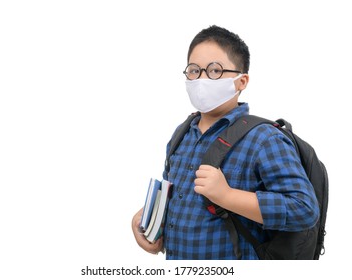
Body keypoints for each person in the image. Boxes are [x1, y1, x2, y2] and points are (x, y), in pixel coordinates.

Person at [131, 25, 319, 260]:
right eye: (194, 70)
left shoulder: (264, 139)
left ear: (241, 81)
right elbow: (176, 198)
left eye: (215, 71)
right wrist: (147, 220)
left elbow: (305, 209)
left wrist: (228, 196)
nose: (201, 79)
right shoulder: (181, 135)